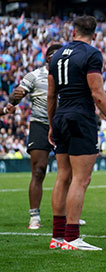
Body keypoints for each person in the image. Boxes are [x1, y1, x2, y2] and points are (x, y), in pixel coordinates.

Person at [48, 16, 106, 251]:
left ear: (73, 31)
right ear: (94, 33)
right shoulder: (91, 54)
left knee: (63, 176)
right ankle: (72, 237)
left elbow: (51, 95)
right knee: (81, 179)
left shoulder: (56, 55)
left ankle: (57, 237)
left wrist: (53, 124)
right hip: (80, 117)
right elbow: (97, 93)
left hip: (61, 115)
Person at [9, 43, 61, 229]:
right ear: (48, 58)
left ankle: (69, 213)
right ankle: (34, 216)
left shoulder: (70, 76)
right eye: (56, 55)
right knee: (39, 170)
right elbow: (17, 95)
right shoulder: (34, 76)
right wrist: (15, 97)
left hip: (63, 125)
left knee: (69, 172)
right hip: (40, 124)